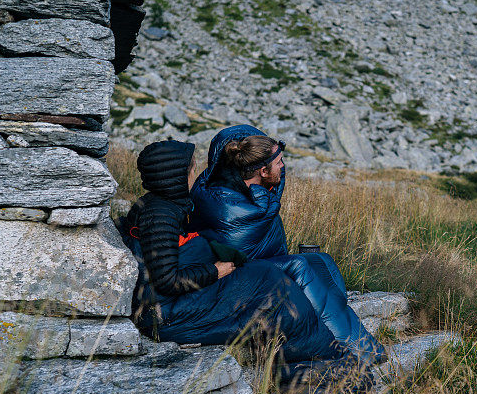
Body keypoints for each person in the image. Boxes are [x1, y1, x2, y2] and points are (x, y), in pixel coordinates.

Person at [117, 139, 345, 367]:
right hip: (169, 316)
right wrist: (215, 271)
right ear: (174, 175)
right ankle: (320, 361)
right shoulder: (161, 216)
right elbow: (167, 280)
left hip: (171, 306)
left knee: (262, 273)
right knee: (271, 286)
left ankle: (317, 352)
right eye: (191, 168)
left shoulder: (159, 206)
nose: (194, 173)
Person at [190, 125, 388, 365]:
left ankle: (351, 335)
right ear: (262, 171)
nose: (283, 167)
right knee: (299, 265)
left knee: (321, 260)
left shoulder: (234, 185)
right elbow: (247, 254)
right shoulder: (230, 206)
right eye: (279, 162)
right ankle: (350, 352)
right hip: (233, 283)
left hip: (251, 267)